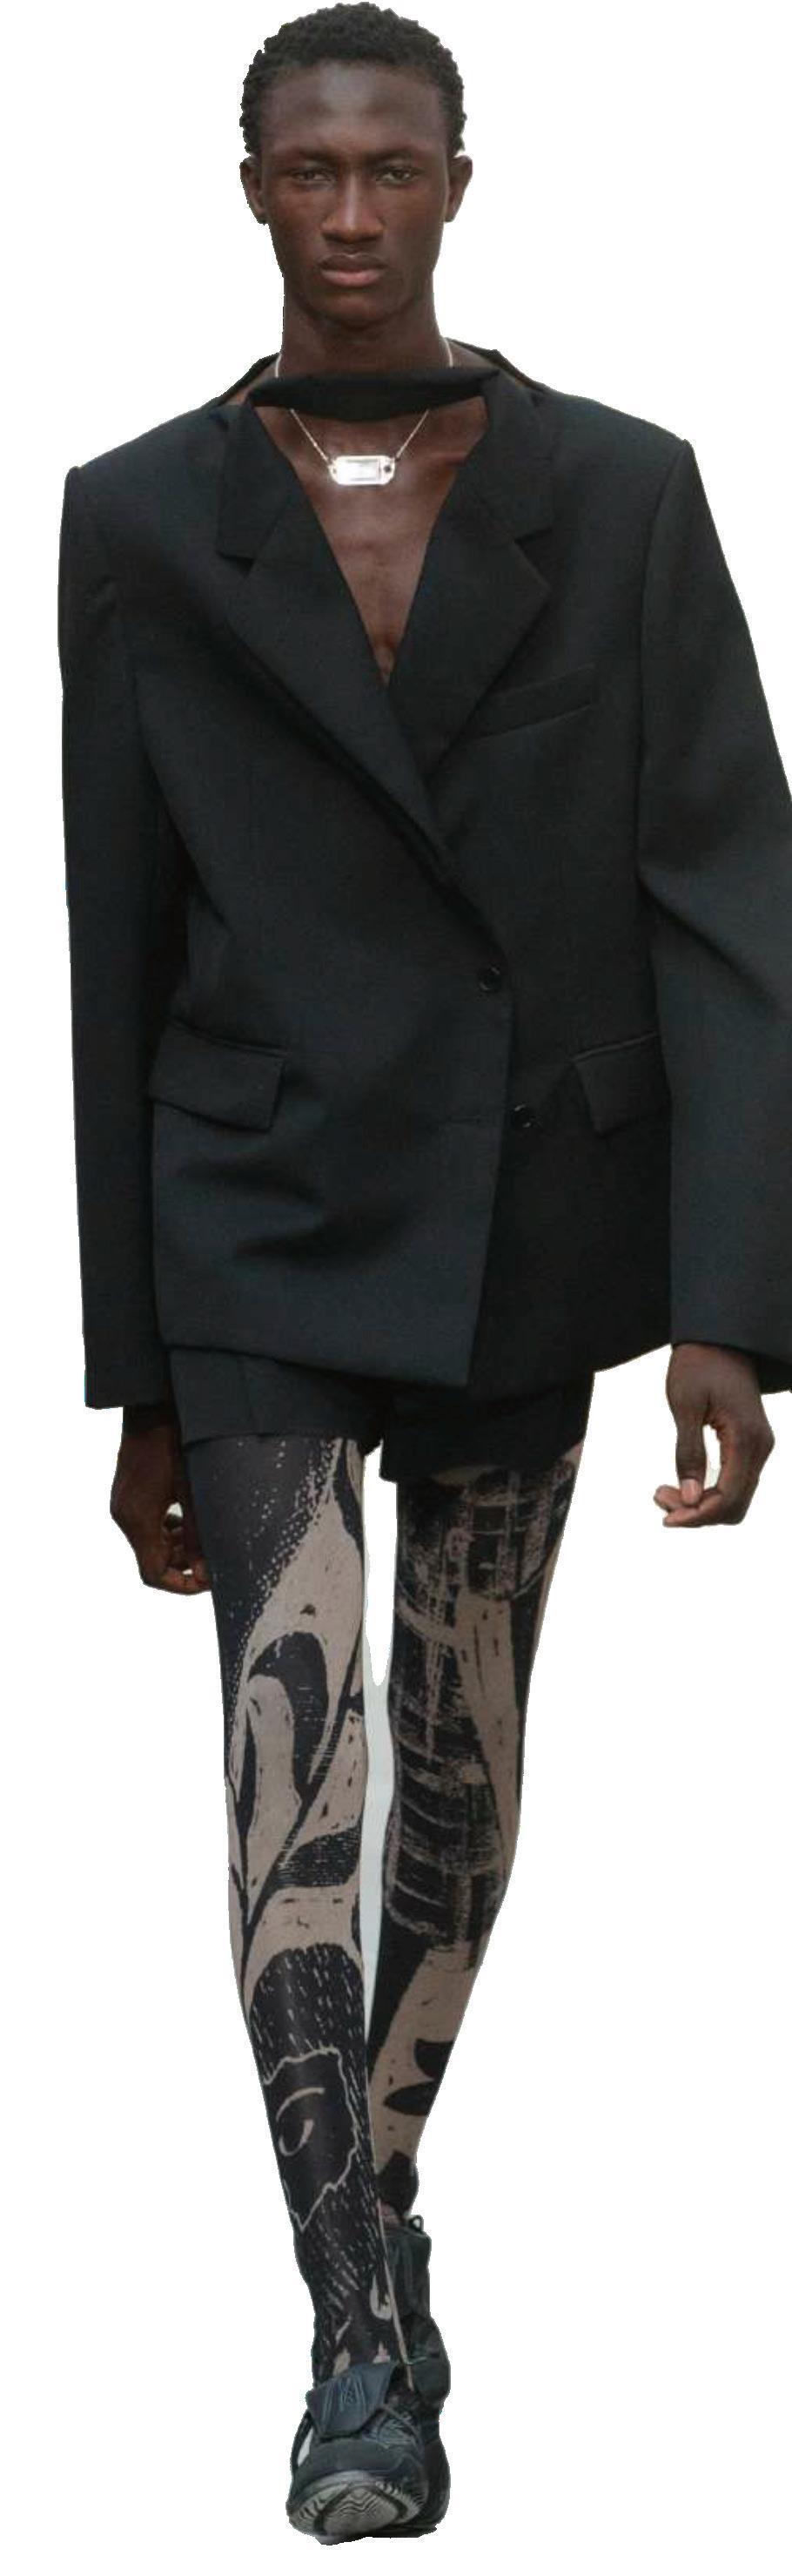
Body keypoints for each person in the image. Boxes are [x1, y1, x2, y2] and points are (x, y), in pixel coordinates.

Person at [57, 3, 791, 2545]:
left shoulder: (624, 490)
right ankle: (356, 2333)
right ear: (249, 186)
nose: (351, 212)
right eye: (311, 170)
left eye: (392, 166)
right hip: (251, 1204)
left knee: (458, 1769)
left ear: (461, 179)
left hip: (534, 1210)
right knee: (296, 1763)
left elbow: (730, 888)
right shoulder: (137, 518)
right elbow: (114, 938)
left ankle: (374, 2206)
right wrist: (138, 1373)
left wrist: (734, 1298)